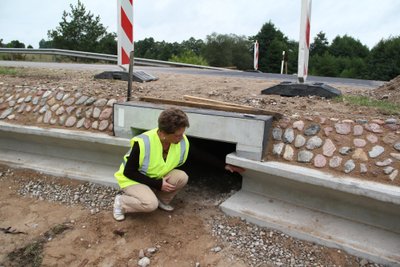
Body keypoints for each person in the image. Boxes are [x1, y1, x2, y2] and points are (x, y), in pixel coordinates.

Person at [113, 107, 190, 221]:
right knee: (150, 204)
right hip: (132, 179)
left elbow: (199, 154)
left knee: (182, 177)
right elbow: (129, 172)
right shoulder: (143, 143)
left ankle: (161, 199)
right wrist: (157, 184)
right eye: (177, 135)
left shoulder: (180, 141)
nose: (181, 137)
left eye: (182, 133)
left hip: (154, 176)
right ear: (163, 133)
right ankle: (121, 202)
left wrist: (222, 165)